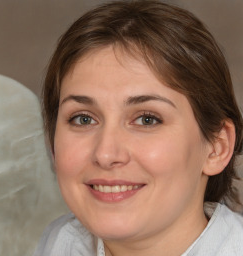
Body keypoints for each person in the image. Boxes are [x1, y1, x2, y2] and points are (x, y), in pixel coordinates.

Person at [33, 0, 243, 255]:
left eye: (147, 119)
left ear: (216, 148)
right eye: (83, 119)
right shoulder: (58, 242)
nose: (106, 154)